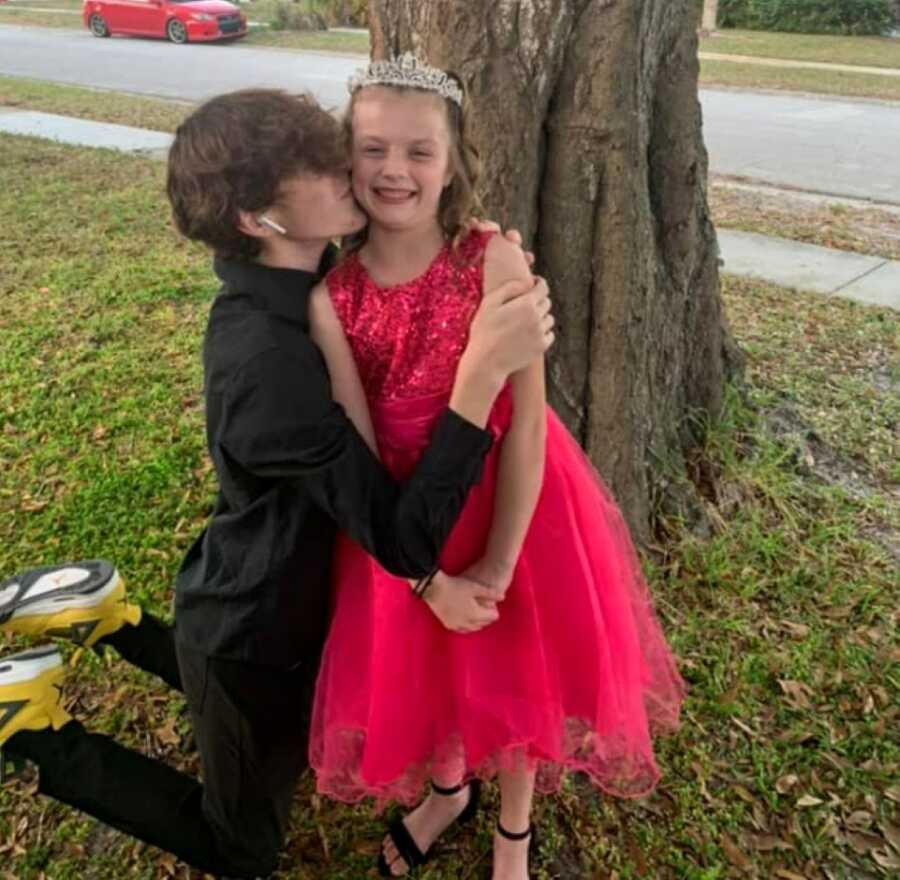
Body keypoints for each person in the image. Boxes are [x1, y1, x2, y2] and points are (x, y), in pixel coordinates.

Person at [0, 88, 554, 879]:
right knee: (242, 846)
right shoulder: (271, 371)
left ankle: (109, 616)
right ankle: (31, 730)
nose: (347, 173)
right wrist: (478, 376)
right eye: (320, 168)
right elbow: (402, 540)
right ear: (260, 220)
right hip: (256, 632)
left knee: (268, 719)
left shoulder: (300, 274)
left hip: (275, 601)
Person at [305, 55, 688, 880]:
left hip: (510, 508)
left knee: (515, 665)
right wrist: (417, 573)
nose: (395, 171)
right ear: (346, 157)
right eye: (372, 150)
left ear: (454, 163)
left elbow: (526, 428)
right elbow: (360, 451)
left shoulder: (491, 261)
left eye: (419, 151)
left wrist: (504, 558)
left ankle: (513, 826)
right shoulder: (332, 295)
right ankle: (446, 790)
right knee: (427, 666)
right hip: (403, 525)